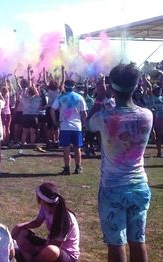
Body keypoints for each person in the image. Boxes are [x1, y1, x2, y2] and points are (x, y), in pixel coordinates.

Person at [89, 63, 153, 262]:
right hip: (140, 186)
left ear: (111, 86)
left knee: (116, 243)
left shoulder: (105, 117)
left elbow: (89, 123)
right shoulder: (147, 116)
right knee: (138, 240)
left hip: (113, 187)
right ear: (137, 85)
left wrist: (100, 96)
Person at [12, 183, 80, 262]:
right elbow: (37, 222)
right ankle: (28, 258)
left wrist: (34, 249)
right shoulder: (44, 207)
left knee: (51, 250)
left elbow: (56, 246)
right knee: (22, 232)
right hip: (48, 244)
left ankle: (27, 256)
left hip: (65, 255)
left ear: (43, 200)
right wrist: (19, 226)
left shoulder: (64, 219)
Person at [51, 79, 87, 175]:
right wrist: (84, 124)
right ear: (74, 86)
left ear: (65, 86)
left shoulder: (61, 97)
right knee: (77, 147)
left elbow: (52, 110)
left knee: (66, 148)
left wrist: (55, 121)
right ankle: (78, 167)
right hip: (77, 126)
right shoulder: (79, 97)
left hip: (65, 126)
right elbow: (84, 113)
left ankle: (67, 168)